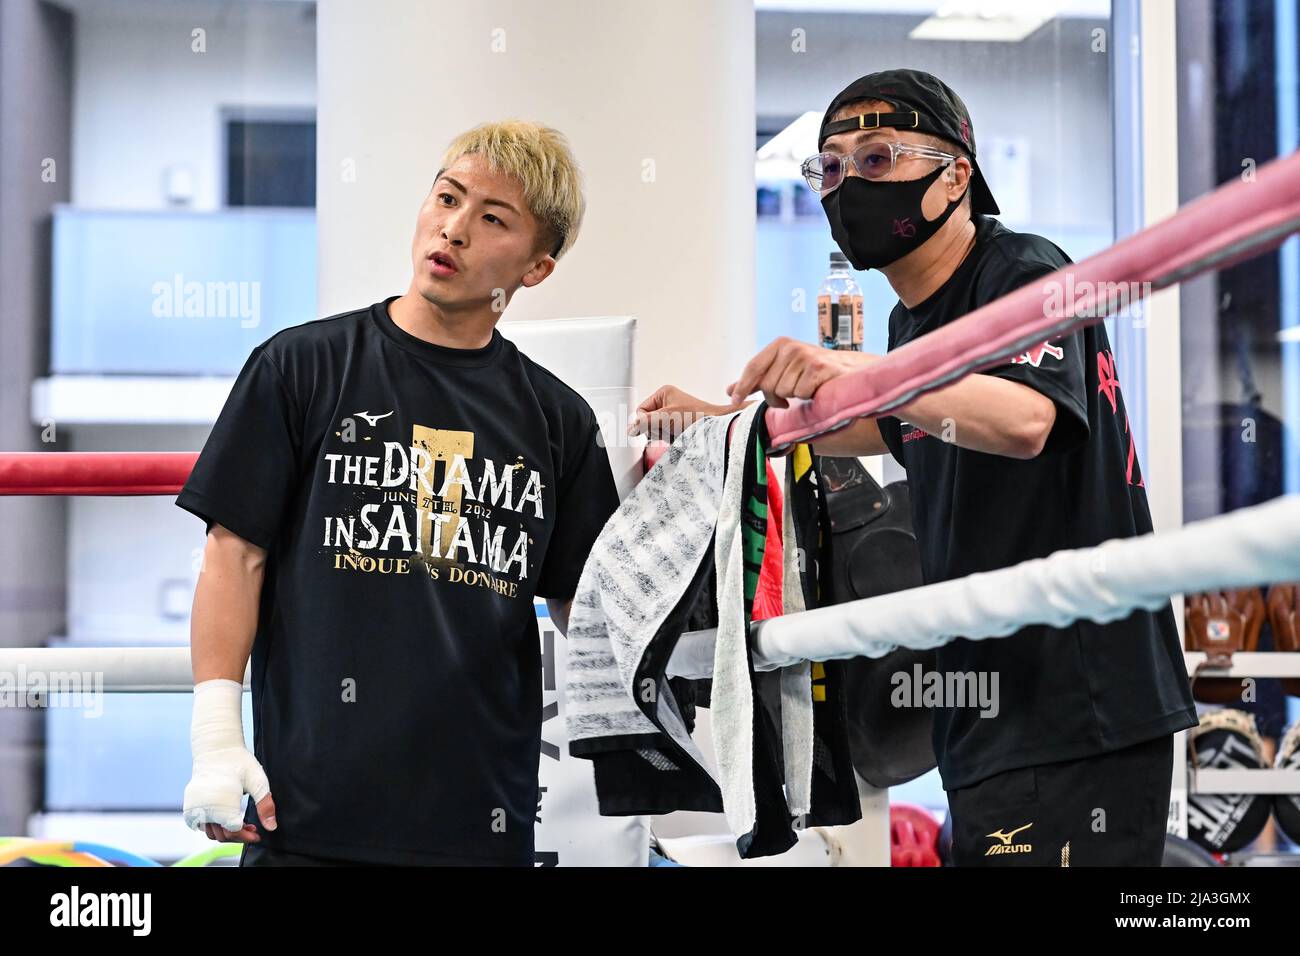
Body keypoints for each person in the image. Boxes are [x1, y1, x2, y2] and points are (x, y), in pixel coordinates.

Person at [632, 69, 1197, 866]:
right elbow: (892, 425)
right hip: (984, 709)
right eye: (830, 168)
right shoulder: (913, 320)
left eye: (877, 159)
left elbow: (1027, 420)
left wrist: (859, 373)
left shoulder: (1024, 273)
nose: (847, 186)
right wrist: (732, 425)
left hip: (1078, 704)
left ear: (956, 175)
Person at [178, 120, 620, 866]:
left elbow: (589, 610)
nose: (453, 229)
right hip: (306, 818)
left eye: (492, 219)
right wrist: (216, 740)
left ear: (536, 268)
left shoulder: (557, 420)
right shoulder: (300, 367)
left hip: (480, 823)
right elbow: (234, 554)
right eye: (447, 198)